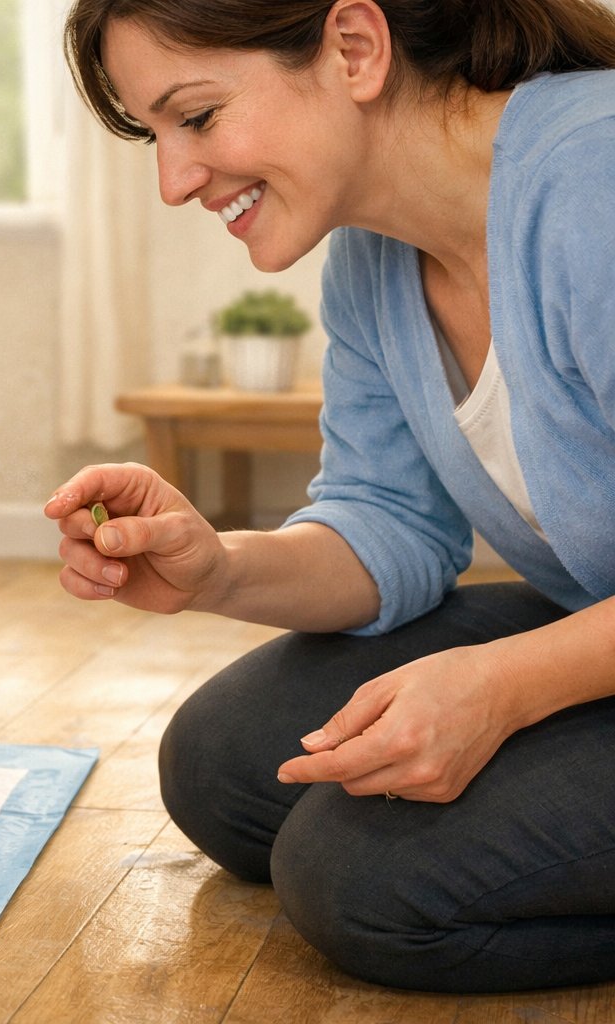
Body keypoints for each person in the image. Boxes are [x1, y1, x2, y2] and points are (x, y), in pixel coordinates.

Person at [44, 0, 615, 994]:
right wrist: (215, 565)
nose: (175, 181)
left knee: (358, 878)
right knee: (222, 765)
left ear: (355, 49)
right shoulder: (372, 259)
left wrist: (503, 686)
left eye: (199, 117)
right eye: (155, 136)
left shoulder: (596, 180)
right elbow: (385, 522)